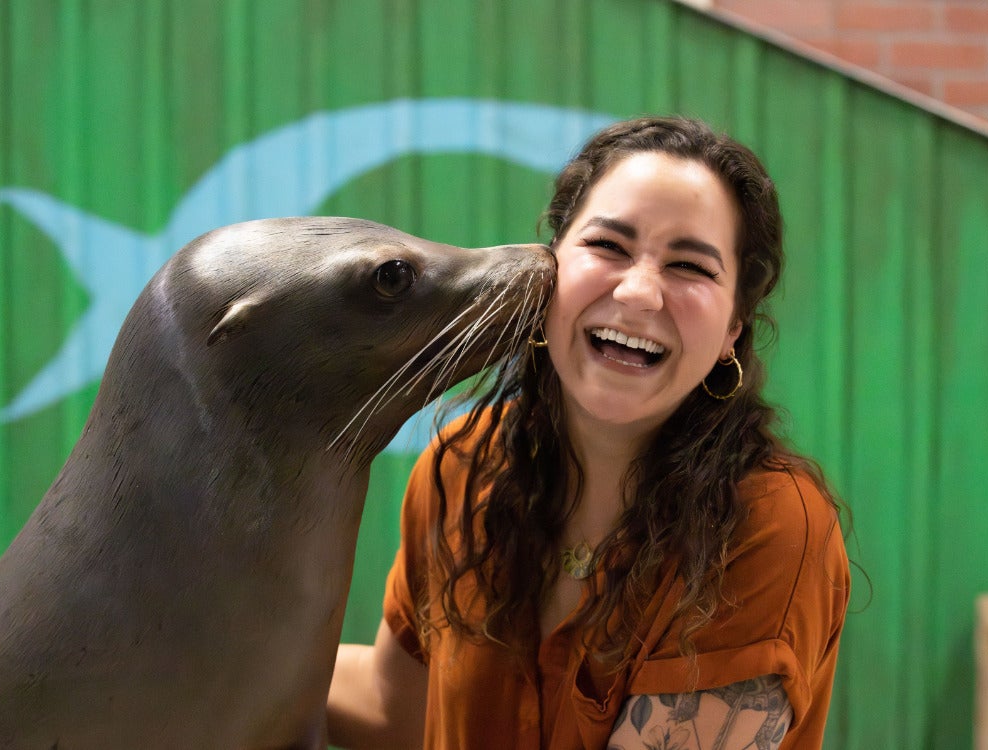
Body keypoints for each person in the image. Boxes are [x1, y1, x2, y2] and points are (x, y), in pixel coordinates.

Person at [326, 116, 850, 750]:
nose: (638, 292)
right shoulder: (463, 466)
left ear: (734, 326)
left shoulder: (767, 525)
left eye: (690, 266)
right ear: (548, 269)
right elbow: (395, 710)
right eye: (607, 246)